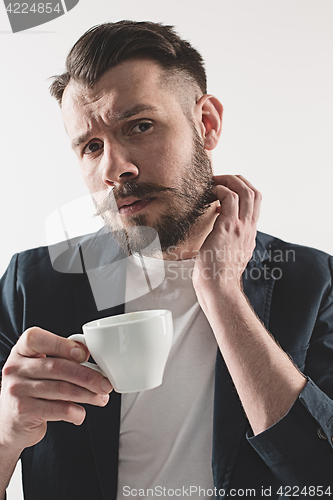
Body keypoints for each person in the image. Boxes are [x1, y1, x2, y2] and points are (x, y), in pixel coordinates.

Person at [0, 20, 332, 500]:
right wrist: (8, 432)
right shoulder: (31, 283)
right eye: (91, 146)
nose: (115, 169)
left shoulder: (313, 282)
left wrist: (222, 294)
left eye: (140, 125)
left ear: (207, 123)